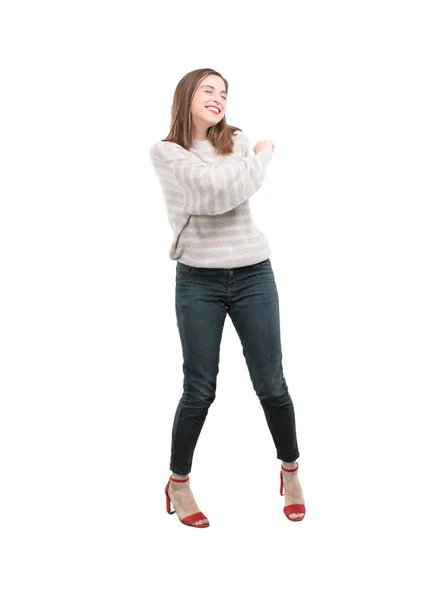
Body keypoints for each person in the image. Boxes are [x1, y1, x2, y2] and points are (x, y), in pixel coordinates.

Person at [149, 68, 305, 528]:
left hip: (254, 272)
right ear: (186, 96)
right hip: (198, 280)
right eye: (208, 90)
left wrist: (248, 163)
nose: (218, 98)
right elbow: (218, 193)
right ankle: (178, 482)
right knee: (199, 389)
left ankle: (291, 472)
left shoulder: (235, 139)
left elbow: (230, 188)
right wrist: (262, 159)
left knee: (272, 384)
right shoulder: (165, 152)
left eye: (224, 93)